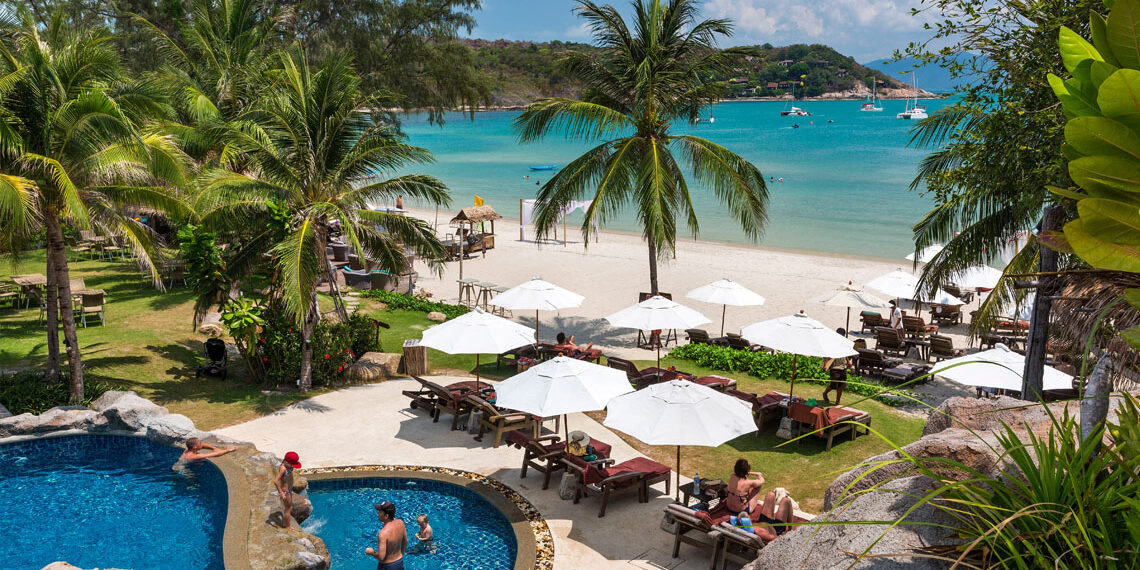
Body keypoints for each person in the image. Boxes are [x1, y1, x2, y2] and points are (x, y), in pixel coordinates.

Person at [725, 458, 794, 541]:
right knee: (786, 501)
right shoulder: (759, 531)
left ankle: (790, 527)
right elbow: (776, 539)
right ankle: (791, 529)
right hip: (776, 529)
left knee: (770, 495)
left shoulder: (753, 526)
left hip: (764, 522)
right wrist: (785, 534)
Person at [366, 501, 408, 570]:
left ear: (386, 516)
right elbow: (406, 541)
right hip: (399, 563)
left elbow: (381, 556)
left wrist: (372, 552)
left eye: (380, 512)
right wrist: (400, 554)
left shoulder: (382, 533)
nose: (378, 513)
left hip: (387, 566)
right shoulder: (401, 523)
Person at [273, 451, 302, 528]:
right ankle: (288, 527)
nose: (293, 466)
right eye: (292, 464)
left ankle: (285, 523)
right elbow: (275, 481)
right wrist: (281, 493)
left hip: (289, 489)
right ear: (286, 462)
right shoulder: (283, 469)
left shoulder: (288, 465)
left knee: (288, 507)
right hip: (286, 492)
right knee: (288, 509)